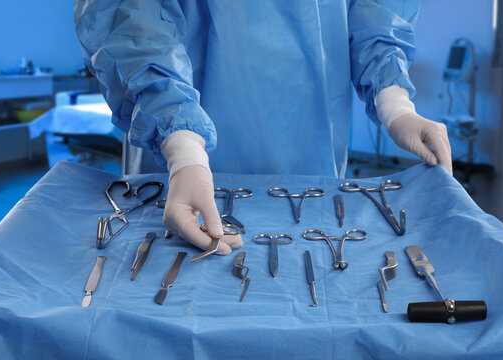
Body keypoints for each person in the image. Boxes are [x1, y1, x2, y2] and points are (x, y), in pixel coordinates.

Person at [75, 0, 452, 256]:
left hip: (309, 153)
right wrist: (183, 148)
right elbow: (133, 19)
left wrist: (395, 104)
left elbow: (375, 12)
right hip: (177, 163)